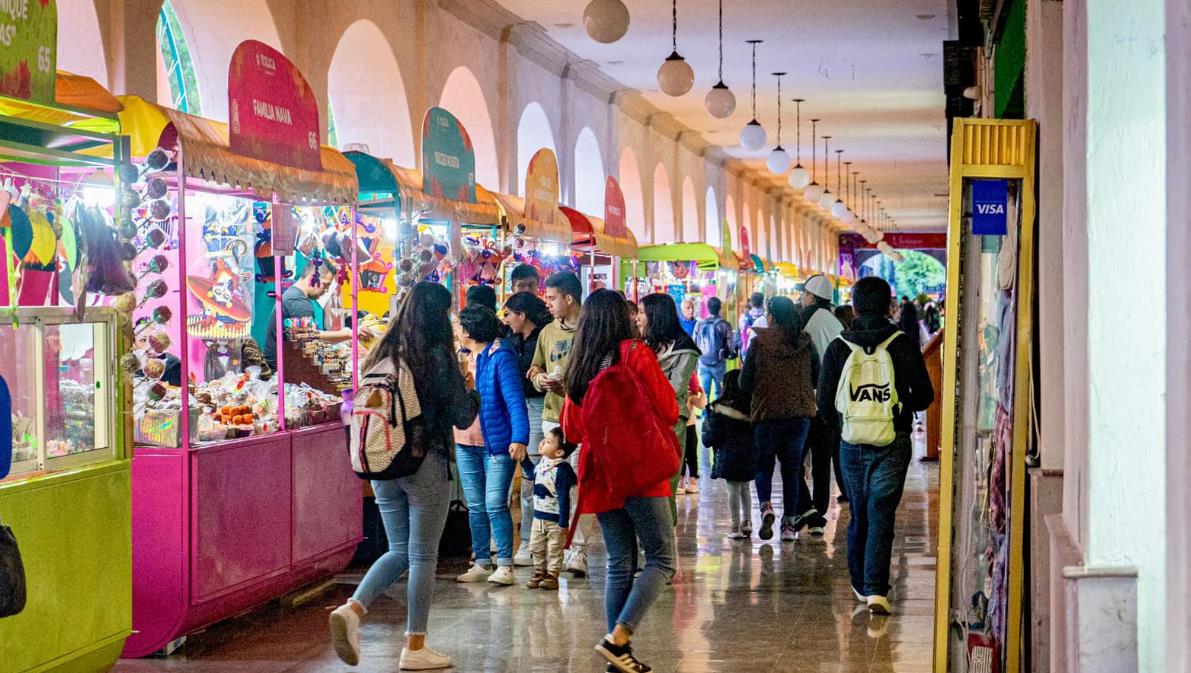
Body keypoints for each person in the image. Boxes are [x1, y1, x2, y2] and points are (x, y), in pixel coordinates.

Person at [329, 281, 479, 671]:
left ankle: (353, 609)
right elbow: (463, 416)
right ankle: (415, 646)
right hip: (424, 462)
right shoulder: (436, 356)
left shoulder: (382, 353)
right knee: (422, 555)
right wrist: (471, 389)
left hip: (382, 463)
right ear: (439, 316)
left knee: (398, 549)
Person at [560, 289, 678, 673]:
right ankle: (619, 638)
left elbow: (571, 429)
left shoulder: (580, 363)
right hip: (638, 467)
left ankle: (618, 657)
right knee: (662, 559)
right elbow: (670, 409)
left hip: (599, 470)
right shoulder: (634, 354)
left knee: (619, 562)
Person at [817, 276, 934, 615]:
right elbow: (925, 396)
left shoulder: (839, 346)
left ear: (853, 306)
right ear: (889, 306)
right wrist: (897, 409)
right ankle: (876, 588)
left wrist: (846, 424)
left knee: (859, 511)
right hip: (892, 441)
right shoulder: (901, 343)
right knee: (881, 511)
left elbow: (825, 403)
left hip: (851, 442)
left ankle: (860, 580)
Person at [453, 305, 529, 587]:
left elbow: (514, 399)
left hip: (496, 443)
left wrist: (519, 437)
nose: (458, 332)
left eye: (460, 326)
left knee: (495, 503)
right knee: (475, 506)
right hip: (464, 440)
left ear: (470, 329)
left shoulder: (501, 355)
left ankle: (505, 564)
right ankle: (482, 561)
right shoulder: (460, 357)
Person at [740, 296, 818, 543]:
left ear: (771, 316)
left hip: (766, 414)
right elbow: (817, 376)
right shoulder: (806, 343)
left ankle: (766, 507)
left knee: (763, 466)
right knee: (792, 470)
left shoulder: (759, 343)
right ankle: (790, 525)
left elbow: (744, 382)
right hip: (799, 415)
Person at [529, 271, 591, 577]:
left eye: (552, 298)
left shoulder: (590, 332)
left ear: (569, 298)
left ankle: (577, 549)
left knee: (577, 485)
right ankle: (550, 549)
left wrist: (570, 388)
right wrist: (540, 378)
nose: (548, 304)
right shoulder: (547, 332)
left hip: (581, 418)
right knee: (549, 484)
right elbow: (534, 367)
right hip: (551, 418)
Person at [502, 291, 553, 567]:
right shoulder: (510, 339)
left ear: (522, 315)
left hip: (536, 407)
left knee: (532, 476)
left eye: (509, 314)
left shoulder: (544, 336)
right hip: (512, 408)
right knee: (510, 477)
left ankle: (530, 542)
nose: (506, 319)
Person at [637, 293, 701, 509]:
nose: (637, 318)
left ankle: (663, 538)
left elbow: (675, 388)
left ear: (656, 315)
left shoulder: (685, 348)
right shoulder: (640, 345)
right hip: (641, 423)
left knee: (666, 486)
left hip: (670, 423)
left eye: (642, 312)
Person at [795, 274, 846, 536]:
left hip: (807, 400)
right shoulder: (835, 322)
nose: (802, 299)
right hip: (831, 402)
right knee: (822, 458)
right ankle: (819, 508)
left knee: (794, 457)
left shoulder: (806, 321)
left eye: (804, 294)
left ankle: (808, 509)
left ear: (811, 296)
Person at [264, 258, 354, 371]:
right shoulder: (298, 302)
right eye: (325, 285)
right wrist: (348, 334)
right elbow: (309, 339)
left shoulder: (293, 295)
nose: (326, 290)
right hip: (282, 375)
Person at [703, 369, 756, 539]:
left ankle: (735, 526)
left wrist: (706, 438)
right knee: (745, 487)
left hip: (728, 454)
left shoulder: (719, 407)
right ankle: (747, 522)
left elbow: (712, 435)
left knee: (733, 488)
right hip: (749, 453)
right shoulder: (751, 406)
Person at [524, 427, 577, 591]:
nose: (541, 443)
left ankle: (552, 575)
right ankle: (539, 572)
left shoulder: (561, 471)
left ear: (559, 452)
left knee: (554, 548)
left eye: (547, 442)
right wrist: (523, 459)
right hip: (538, 518)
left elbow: (563, 498)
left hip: (554, 520)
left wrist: (563, 522)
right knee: (536, 546)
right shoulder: (542, 464)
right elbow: (532, 474)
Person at [692, 296, 738, 401]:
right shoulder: (725, 325)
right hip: (719, 363)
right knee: (720, 392)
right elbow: (730, 346)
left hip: (703, 362)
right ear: (720, 308)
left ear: (708, 308)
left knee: (704, 393)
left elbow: (694, 342)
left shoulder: (699, 324)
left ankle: (705, 416)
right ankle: (717, 415)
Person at [681, 376, 706, 495]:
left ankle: (693, 481)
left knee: (691, 455)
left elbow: (701, 405)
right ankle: (680, 482)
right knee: (680, 455)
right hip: (680, 428)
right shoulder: (677, 396)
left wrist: (703, 393)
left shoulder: (691, 396)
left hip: (689, 427)